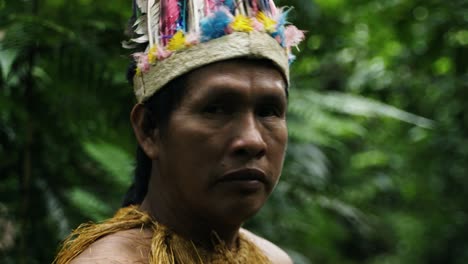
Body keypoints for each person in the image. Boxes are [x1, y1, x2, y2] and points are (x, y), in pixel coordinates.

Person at [54, 0, 304, 263]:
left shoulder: (272, 259)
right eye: (216, 109)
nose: (252, 141)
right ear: (149, 129)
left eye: (268, 111)